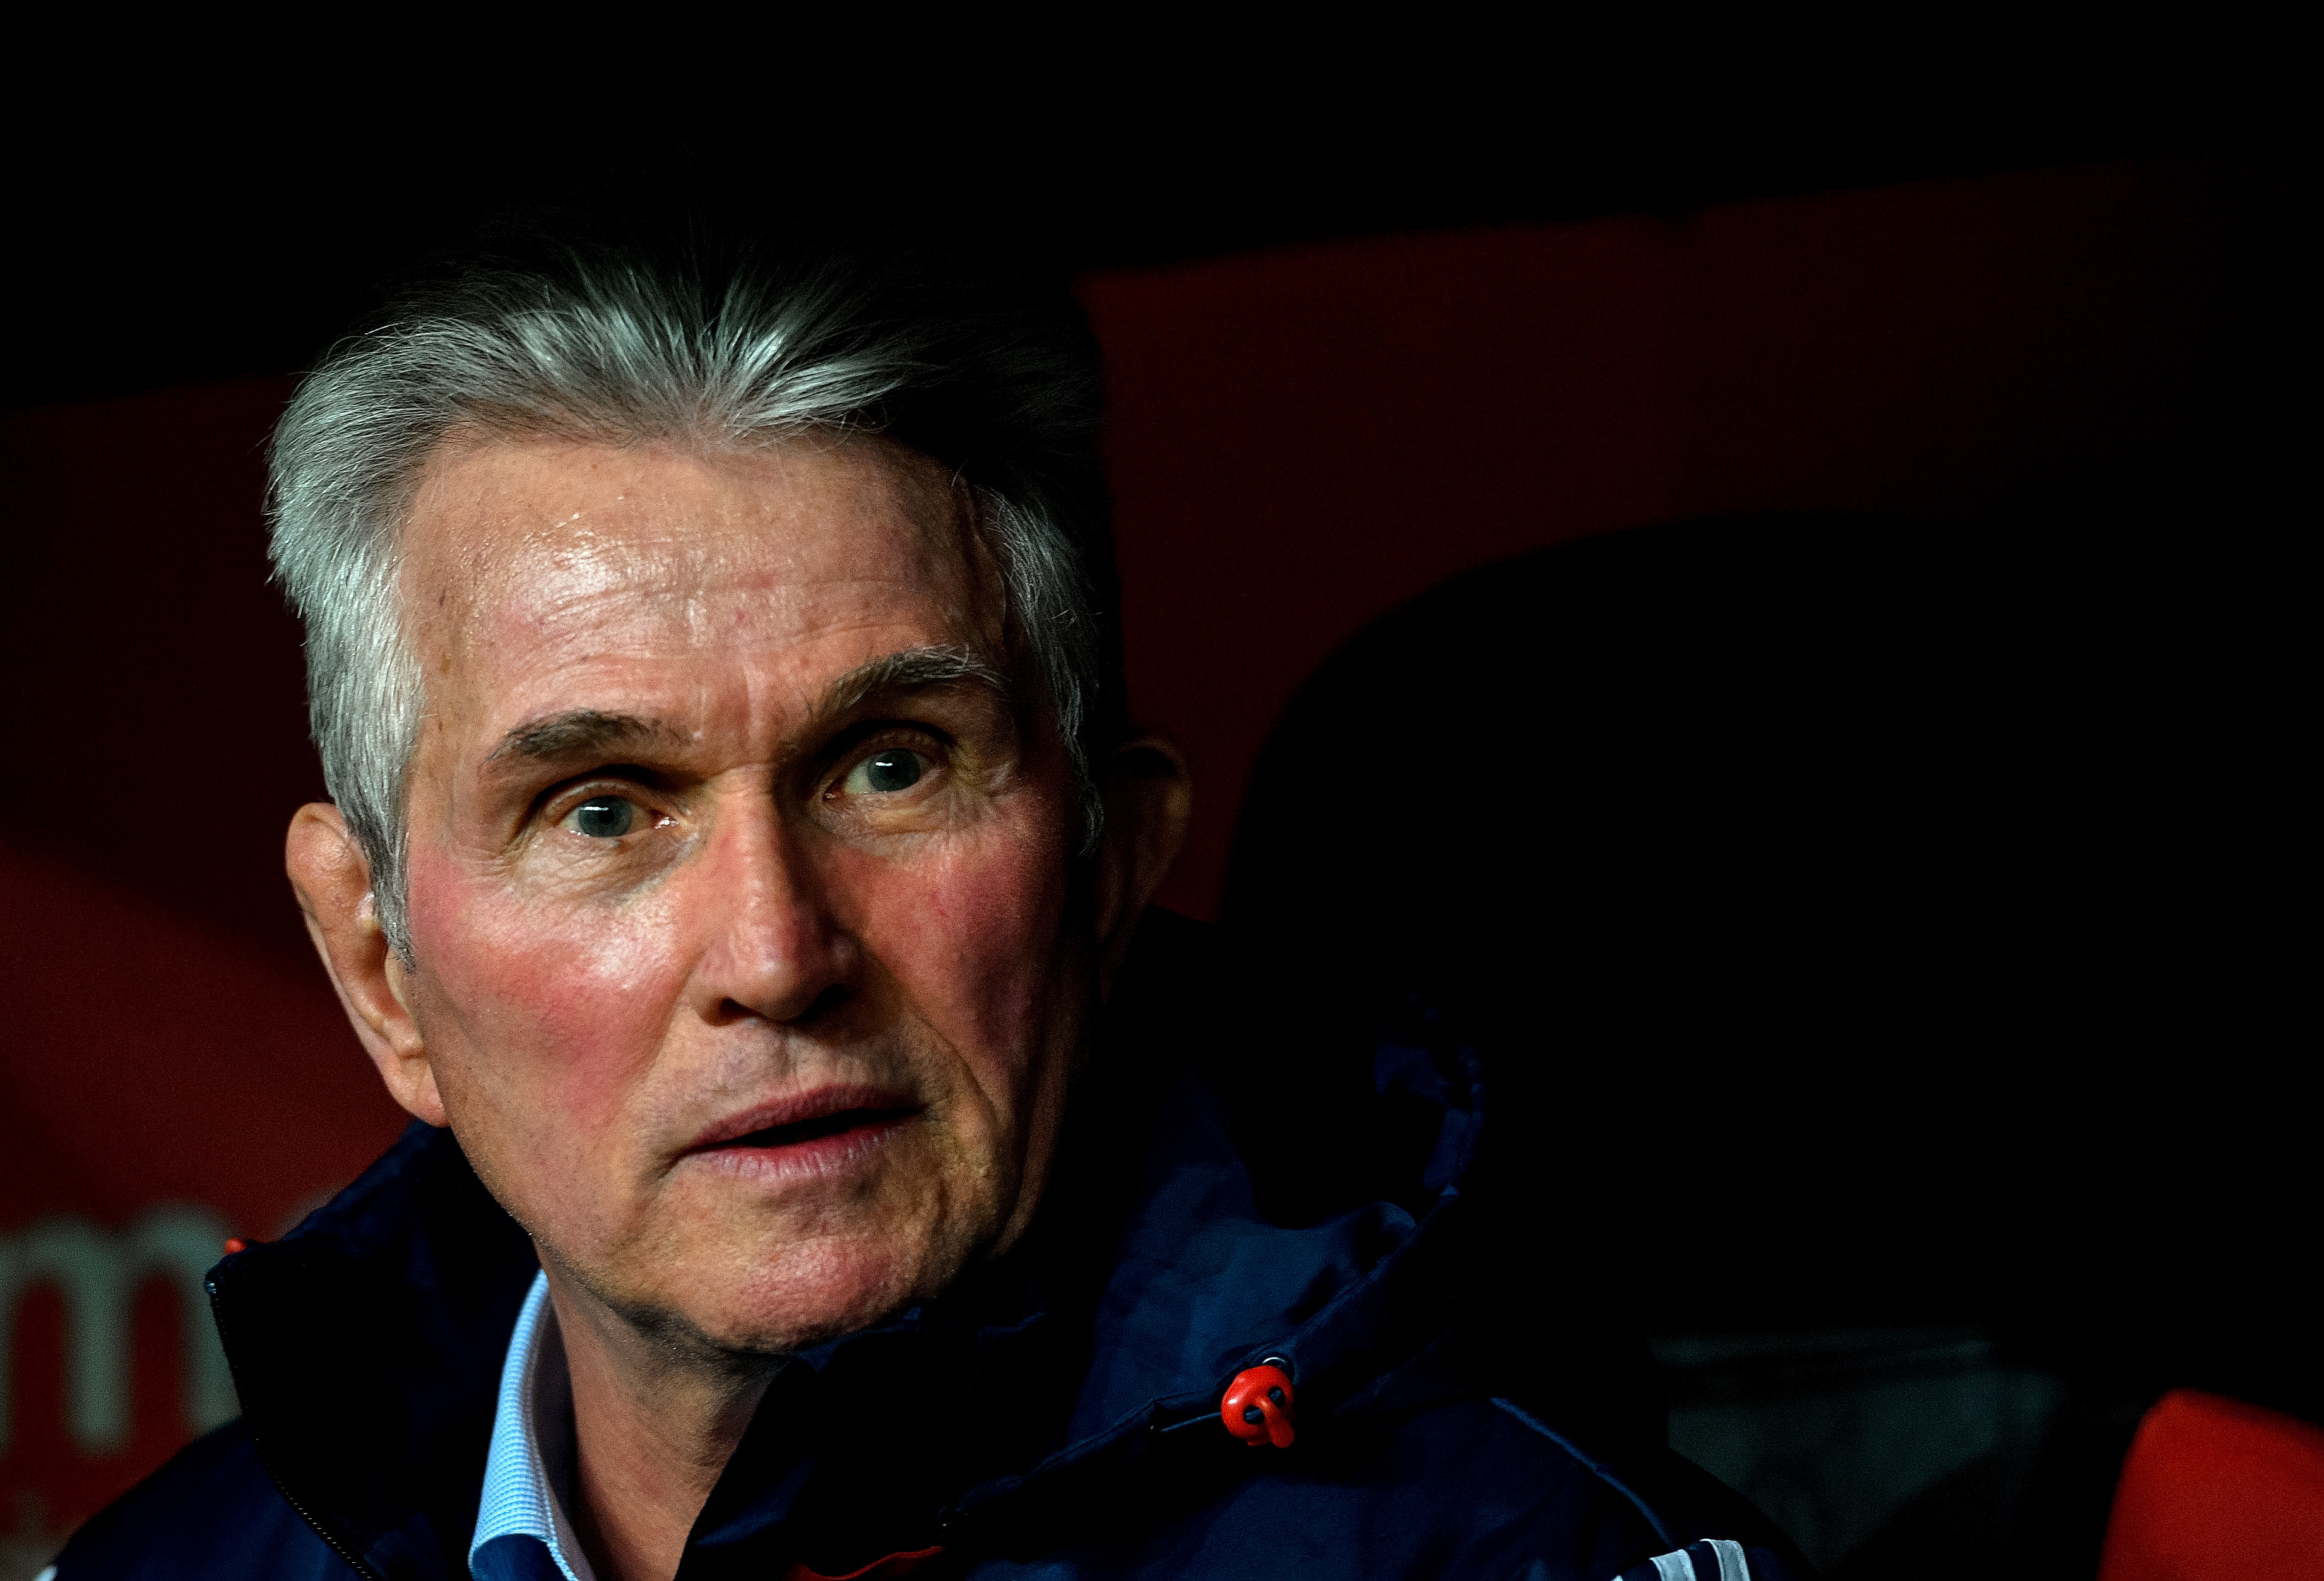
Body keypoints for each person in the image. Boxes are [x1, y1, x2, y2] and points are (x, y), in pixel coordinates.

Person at [52, 203, 1808, 1581]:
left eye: (890, 764)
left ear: (1111, 863)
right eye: (603, 809)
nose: (774, 952)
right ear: (380, 962)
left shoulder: (1533, 1563)